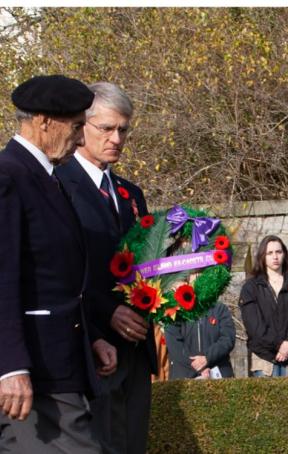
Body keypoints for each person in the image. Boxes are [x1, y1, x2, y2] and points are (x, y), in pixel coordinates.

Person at [0, 74, 116, 452]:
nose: (81, 139)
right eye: (77, 127)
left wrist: (92, 336)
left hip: (59, 364)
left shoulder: (47, 178)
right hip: (34, 371)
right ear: (44, 121)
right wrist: (11, 366)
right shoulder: (9, 177)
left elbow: (59, 279)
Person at [54, 81, 155, 454]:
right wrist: (107, 313)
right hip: (89, 343)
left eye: (123, 130)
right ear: (82, 127)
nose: (116, 138)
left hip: (135, 346)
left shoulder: (131, 193)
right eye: (107, 128)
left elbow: (145, 264)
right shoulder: (58, 184)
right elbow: (62, 270)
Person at [240, 236, 288, 377]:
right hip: (264, 359)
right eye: (270, 253)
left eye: (278, 252)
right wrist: (280, 345)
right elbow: (254, 326)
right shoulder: (251, 288)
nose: (275, 257)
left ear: (284, 254)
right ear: (263, 256)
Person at [164, 303, 236, 380]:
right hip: (184, 377)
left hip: (219, 374)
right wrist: (197, 366)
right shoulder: (174, 311)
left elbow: (228, 339)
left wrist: (207, 358)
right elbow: (174, 344)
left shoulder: (219, 309)